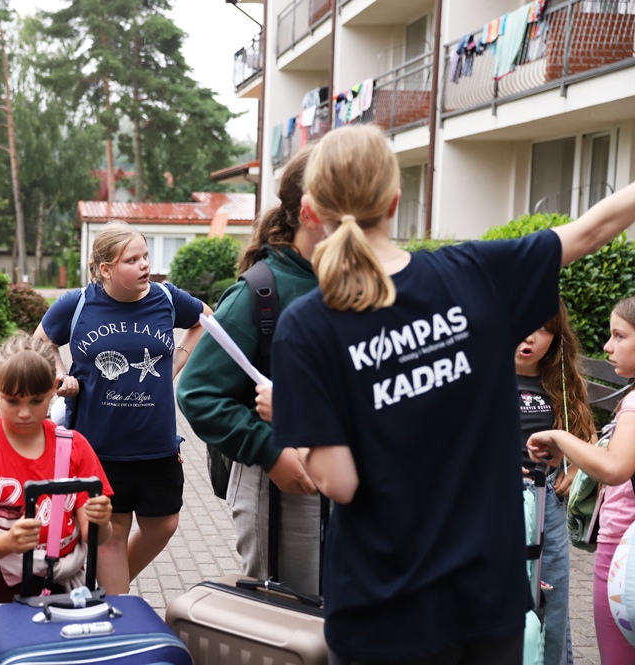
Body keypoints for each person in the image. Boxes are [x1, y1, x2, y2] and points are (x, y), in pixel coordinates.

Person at [270, 124, 635, 664]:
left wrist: (294, 419)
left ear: (310, 211)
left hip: (380, 608)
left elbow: (338, 482)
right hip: (485, 597)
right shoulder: (475, 272)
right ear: (395, 201)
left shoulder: (306, 325)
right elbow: (591, 229)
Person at [35, 220, 211, 594]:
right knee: (112, 533)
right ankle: (117, 604)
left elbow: (204, 319)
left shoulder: (166, 298)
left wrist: (178, 360)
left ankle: (101, 591)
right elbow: (41, 341)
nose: (145, 264)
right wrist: (61, 375)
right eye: (132, 260)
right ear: (105, 269)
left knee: (163, 525)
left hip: (157, 444)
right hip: (99, 449)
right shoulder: (78, 304)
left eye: (145, 256)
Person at [177, 146, 323, 594]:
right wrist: (269, 451)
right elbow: (197, 392)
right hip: (284, 488)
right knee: (292, 620)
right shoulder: (260, 291)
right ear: (311, 212)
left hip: (352, 474)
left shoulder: (359, 283)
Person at [0, 333, 114, 616]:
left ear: (53, 389)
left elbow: (95, 536)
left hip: (61, 591)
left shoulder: (75, 447)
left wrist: (102, 521)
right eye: (13, 401)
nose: (25, 413)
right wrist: (8, 542)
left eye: (36, 401)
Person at [528, 296, 635, 664]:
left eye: (619, 335)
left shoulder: (629, 403)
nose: (607, 346)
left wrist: (564, 445)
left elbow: (612, 463)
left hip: (618, 551)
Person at [516, 300, 596, 665]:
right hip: (497, 500)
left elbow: (588, 437)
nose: (530, 337)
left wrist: (576, 467)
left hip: (546, 498)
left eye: (544, 329)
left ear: (557, 337)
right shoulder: (483, 377)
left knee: (553, 597)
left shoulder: (560, 381)